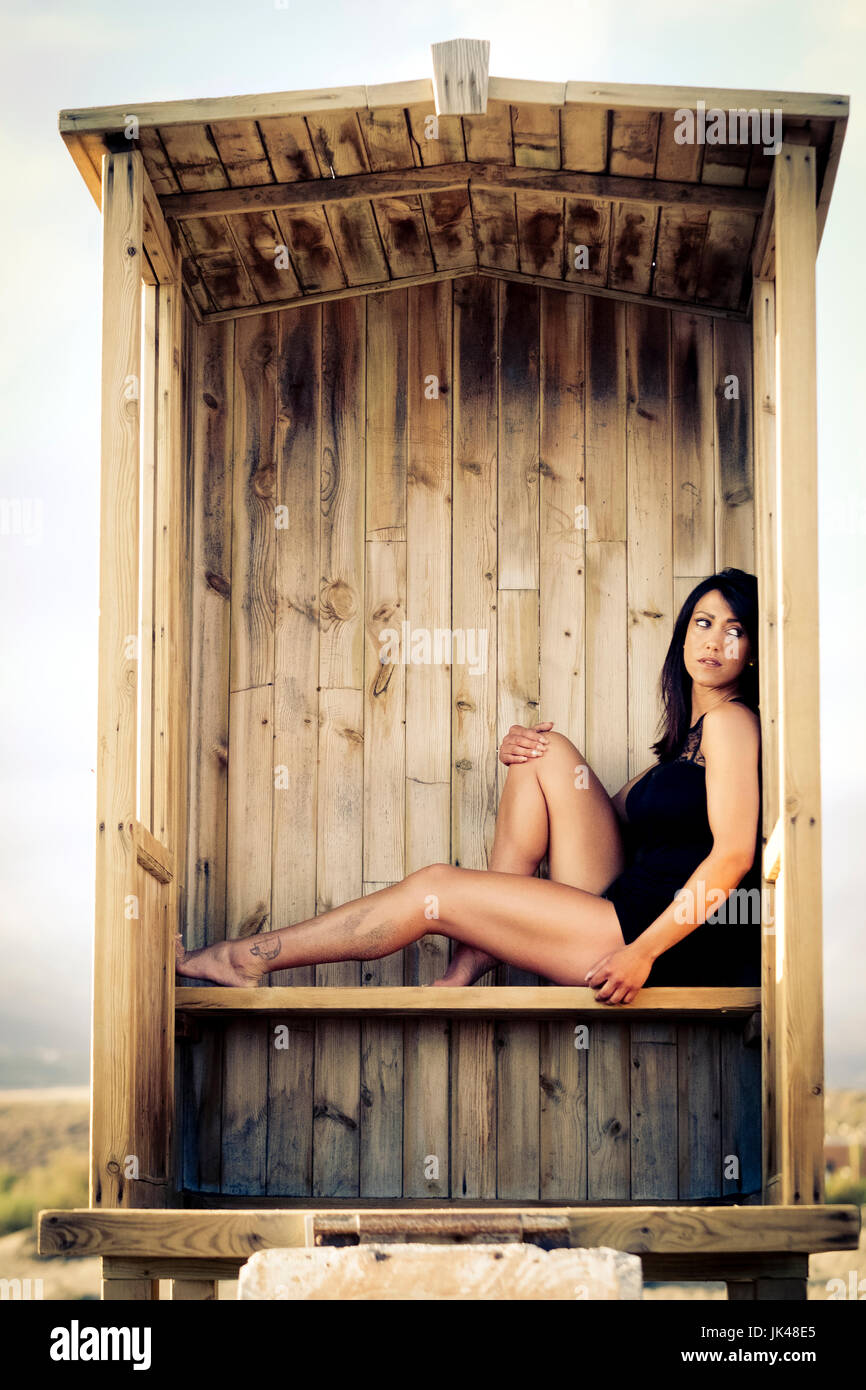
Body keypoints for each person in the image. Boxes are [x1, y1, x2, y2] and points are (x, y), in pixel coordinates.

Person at [176, 568, 762, 1005]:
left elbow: (734, 854)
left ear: (753, 654)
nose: (713, 641)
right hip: (622, 907)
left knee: (436, 887)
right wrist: (523, 753)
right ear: (683, 638)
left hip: (649, 941)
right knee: (546, 750)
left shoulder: (733, 724)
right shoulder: (686, 743)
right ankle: (482, 944)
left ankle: (244, 957)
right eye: (702, 623)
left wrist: (642, 952)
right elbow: (599, 813)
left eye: (734, 630)